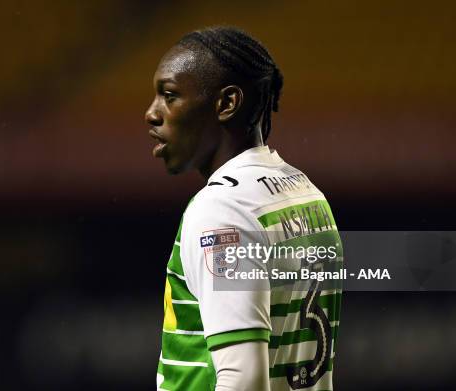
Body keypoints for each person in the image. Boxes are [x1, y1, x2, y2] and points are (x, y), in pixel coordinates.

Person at [146, 26, 342, 391]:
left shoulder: (221, 211)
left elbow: (243, 379)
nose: (152, 114)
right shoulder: (305, 192)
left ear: (226, 103)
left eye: (170, 96)